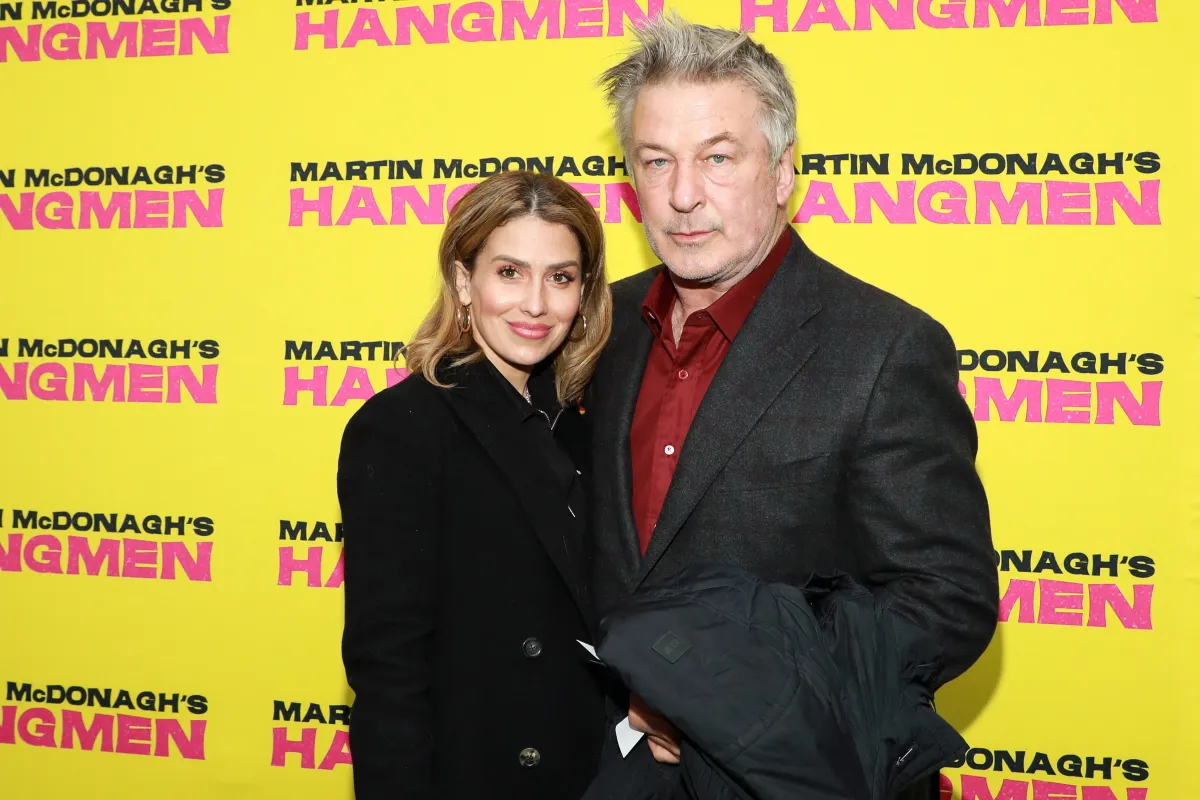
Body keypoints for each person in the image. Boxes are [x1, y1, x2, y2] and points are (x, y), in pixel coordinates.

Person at [585, 13, 1000, 793]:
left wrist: (715, 690)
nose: (681, 196)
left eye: (717, 158)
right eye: (655, 161)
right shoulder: (597, 327)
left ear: (782, 174)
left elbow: (945, 600)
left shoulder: (883, 346)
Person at [336, 170, 613, 800]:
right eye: (509, 273)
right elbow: (388, 668)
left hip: (591, 772)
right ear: (465, 282)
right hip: (476, 770)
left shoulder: (585, 423)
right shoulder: (401, 429)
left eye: (561, 277)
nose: (536, 304)